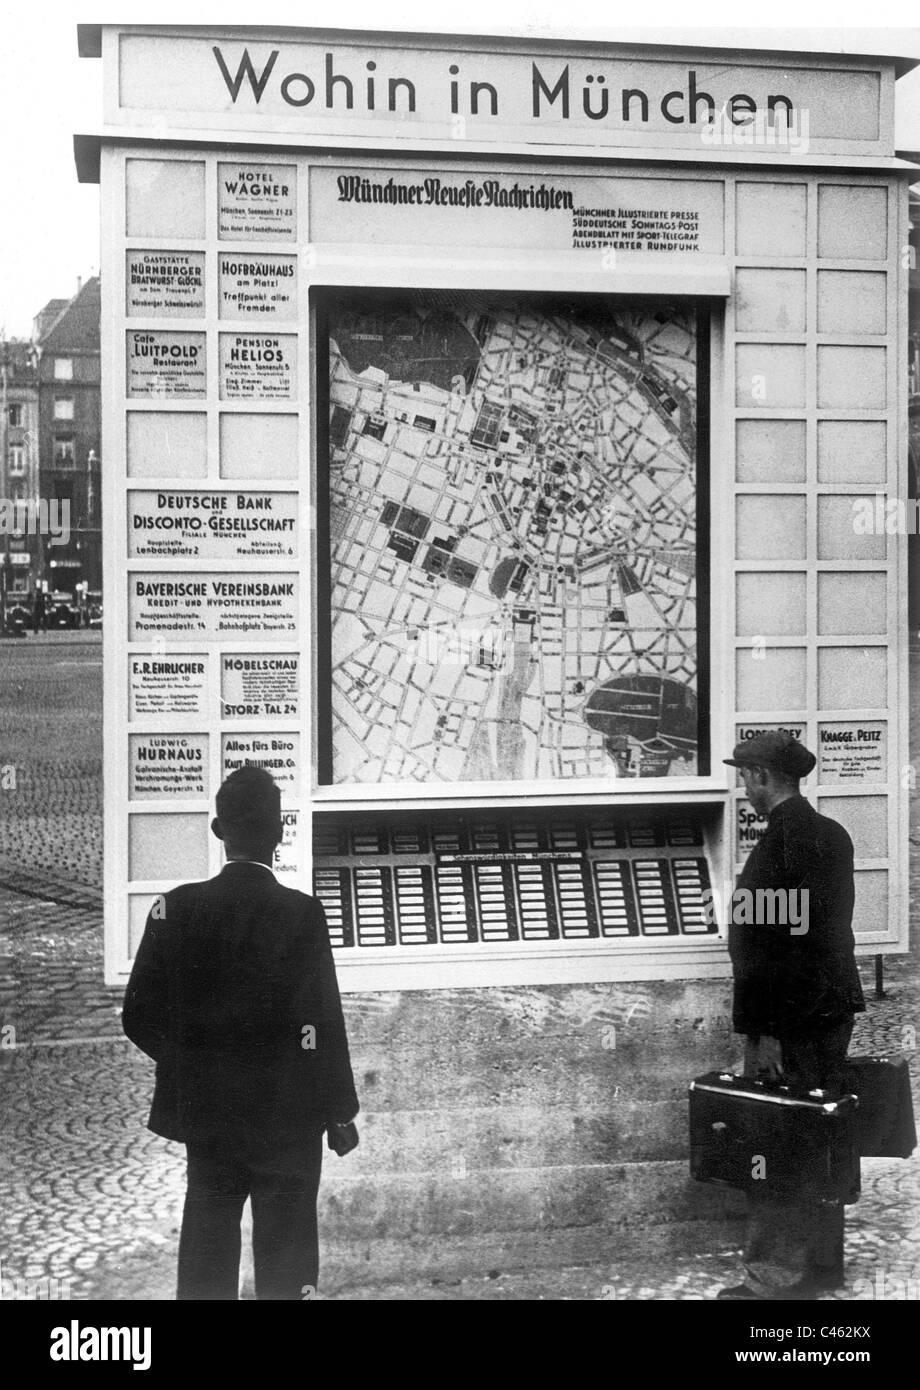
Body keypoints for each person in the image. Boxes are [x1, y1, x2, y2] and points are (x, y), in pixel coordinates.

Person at [122, 766, 359, 1300]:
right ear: (279, 833)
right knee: (288, 1254)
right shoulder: (302, 913)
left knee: (207, 1252)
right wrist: (339, 1110)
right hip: (289, 1117)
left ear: (217, 830)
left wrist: (191, 1058)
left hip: (209, 1117)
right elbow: (321, 1023)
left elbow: (137, 1014)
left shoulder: (174, 907)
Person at [716, 731, 865, 1302]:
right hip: (831, 1009)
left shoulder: (778, 845)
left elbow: (764, 948)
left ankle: (774, 1279)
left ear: (760, 777)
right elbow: (823, 934)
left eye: (745, 777)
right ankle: (821, 1266)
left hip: (790, 1020)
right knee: (824, 1133)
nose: (744, 789)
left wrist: (767, 1032)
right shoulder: (831, 835)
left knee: (776, 1144)